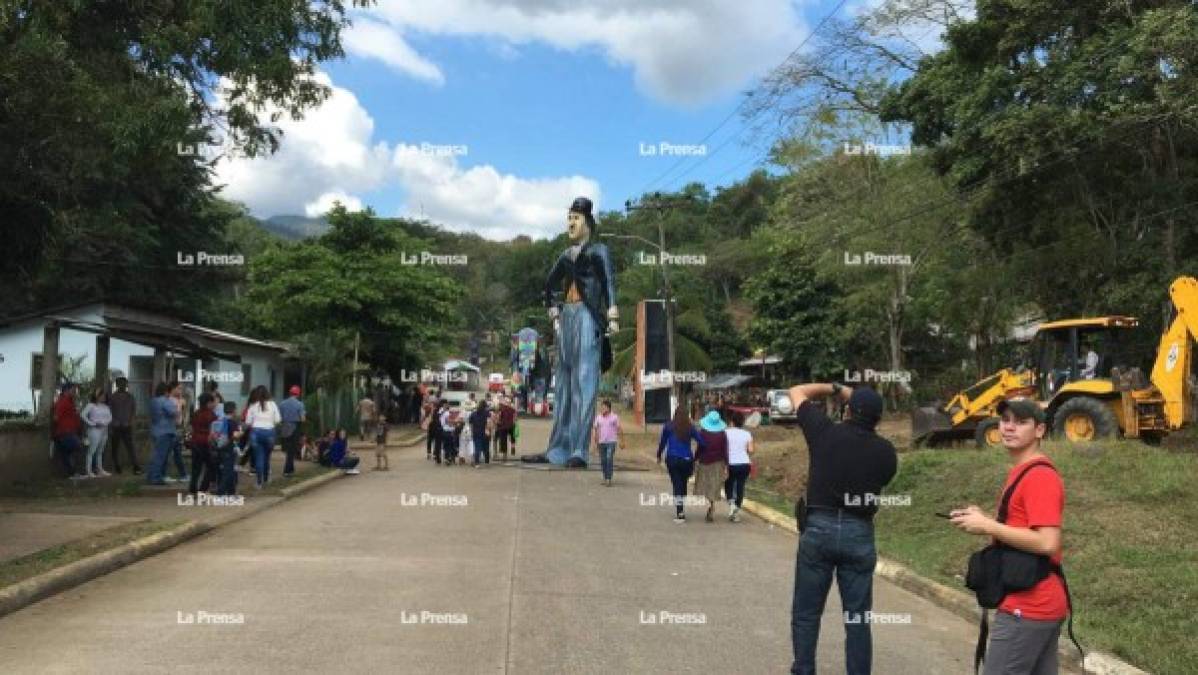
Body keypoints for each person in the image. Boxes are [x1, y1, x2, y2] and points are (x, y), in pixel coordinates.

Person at [949, 398, 1072, 675]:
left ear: (1039, 430)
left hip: (1029, 605)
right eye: (1005, 420)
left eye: (1020, 422)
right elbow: (1023, 528)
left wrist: (989, 527)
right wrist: (984, 520)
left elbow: (1047, 542)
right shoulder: (1022, 470)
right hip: (1037, 601)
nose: (1009, 427)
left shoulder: (1039, 476)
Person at [788, 382, 896, 675]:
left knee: (807, 613)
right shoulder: (886, 452)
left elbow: (796, 392)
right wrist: (860, 403)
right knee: (858, 618)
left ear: (847, 410)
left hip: (819, 528)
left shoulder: (824, 432)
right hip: (859, 533)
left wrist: (836, 387)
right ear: (878, 419)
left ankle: (804, 669)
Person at [524, 197, 618, 468]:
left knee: (585, 380)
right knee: (563, 381)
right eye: (568, 218)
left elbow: (609, 280)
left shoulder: (600, 250)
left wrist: (612, 312)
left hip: (589, 316)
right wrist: (553, 311)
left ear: (587, 222)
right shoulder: (566, 255)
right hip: (567, 315)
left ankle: (579, 449)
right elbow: (549, 284)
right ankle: (556, 449)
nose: (570, 223)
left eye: (575, 218)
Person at [656, 402, 705, 523]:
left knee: (677, 484)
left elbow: (662, 443)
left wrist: (658, 455)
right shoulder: (691, 428)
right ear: (687, 415)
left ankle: (680, 512)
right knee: (682, 484)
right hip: (687, 460)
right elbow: (702, 443)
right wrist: (698, 456)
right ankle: (681, 508)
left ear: (675, 414)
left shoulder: (668, 426)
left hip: (672, 459)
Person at [695, 410, 729, 523]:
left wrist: (695, 458)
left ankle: (711, 505)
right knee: (714, 486)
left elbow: (700, 448)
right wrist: (727, 464)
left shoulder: (703, 433)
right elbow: (725, 451)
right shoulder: (723, 434)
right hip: (718, 462)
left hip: (705, 461)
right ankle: (712, 504)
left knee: (706, 485)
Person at [244, 385, 281, 489]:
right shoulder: (273, 404)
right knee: (267, 457)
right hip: (269, 432)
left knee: (259, 457)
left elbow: (248, 422)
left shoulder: (252, 405)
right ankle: (266, 478)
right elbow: (278, 420)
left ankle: (259, 482)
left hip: (256, 433)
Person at [723, 410, 755, 523]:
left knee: (729, 484)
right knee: (740, 486)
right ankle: (736, 511)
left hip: (730, 463)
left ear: (731, 422)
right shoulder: (747, 434)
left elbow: (723, 448)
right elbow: (751, 450)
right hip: (744, 464)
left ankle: (731, 503)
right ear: (742, 422)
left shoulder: (725, 433)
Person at [146, 382, 179, 486]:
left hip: (156, 430)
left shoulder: (153, 401)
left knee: (156, 455)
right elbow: (173, 412)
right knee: (161, 456)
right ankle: (156, 477)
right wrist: (177, 407)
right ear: (166, 391)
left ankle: (151, 475)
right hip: (166, 431)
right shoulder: (165, 401)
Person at [107, 377, 141, 475]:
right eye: (120, 383)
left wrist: (131, 421)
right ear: (117, 385)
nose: (123, 385)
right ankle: (117, 467)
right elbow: (109, 411)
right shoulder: (112, 397)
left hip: (127, 426)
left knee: (131, 448)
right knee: (115, 448)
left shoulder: (131, 397)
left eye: (124, 383)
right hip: (115, 426)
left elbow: (134, 410)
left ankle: (136, 467)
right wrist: (113, 422)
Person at [188, 393, 219, 494]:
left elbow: (192, 427)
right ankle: (203, 488)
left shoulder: (196, 413)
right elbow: (214, 430)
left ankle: (192, 489)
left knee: (196, 468)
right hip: (206, 443)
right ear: (208, 403)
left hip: (195, 441)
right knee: (211, 466)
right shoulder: (211, 415)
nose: (214, 404)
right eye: (213, 402)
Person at [52, 383, 84, 479]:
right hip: (65, 432)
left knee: (66, 453)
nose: (75, 392)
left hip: (70, 431)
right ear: (66, 390)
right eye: (73, 390)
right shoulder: (63, 401)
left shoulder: (70, 401)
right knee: (77, 447)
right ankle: (72, 473)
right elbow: (56, 418)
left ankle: (72, 473)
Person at [80, 388, 113, 478]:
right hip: (94, 430)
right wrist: (93, 423)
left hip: (104, 430)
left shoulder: (106, 407)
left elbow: (110, 417)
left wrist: (105, 423)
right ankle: (89, 471)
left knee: (100, 451)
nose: (103, 397)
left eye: (104, 396)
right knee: (91, 451)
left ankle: (100, 469)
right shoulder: (91, 405)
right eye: (101, 396)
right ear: (96, 396)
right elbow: (82, 415)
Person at [591, 399, 624, 486]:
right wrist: (594, 441)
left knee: (609, 458)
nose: (602, 409)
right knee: (603, 460)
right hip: (601, 442)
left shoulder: (614, 417)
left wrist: (622, 441)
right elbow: (595, 429)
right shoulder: (598, 417)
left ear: (609, 408)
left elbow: (619, 429)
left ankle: (609, 478)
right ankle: (605, 477)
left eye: (604, 407)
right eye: (601, 407)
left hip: (611, 442)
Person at [214, 401, 242, 496]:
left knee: (225, 470)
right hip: (228, 447)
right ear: (233, 410)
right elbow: (235, 436)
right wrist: (240, 433)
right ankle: (221, 492)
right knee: (229, 471)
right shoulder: (232, 422)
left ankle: (231, 492)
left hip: (219, 447)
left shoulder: (219, 421)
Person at [279, 385, 306, 478]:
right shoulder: (300, 404)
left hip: (284, 427)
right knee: (291, 450)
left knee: (288, 450)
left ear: (290, 393)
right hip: (295, 427)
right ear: (298, 394)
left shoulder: (282, 403)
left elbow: (279, 417)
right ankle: (287, 471)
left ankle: (291, 469)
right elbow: (303, 419)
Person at [167, 381, 190, 483]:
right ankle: (165, 474)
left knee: (177, 453)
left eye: (181, 389)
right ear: (173, 389)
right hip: (171, 428)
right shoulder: (169, 400)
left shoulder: (181, 400)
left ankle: (183, 474)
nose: (181, 391)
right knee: (169, 453)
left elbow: (184, 414)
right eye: (179, 388)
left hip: (178, 428)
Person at [469, 399, 490, 467]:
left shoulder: (473, 413)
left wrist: (472, 432)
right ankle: (487, 461)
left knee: (477, 447)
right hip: (485, 432)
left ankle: (477, 462)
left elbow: (471, 424)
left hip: (476, 432)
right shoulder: (487, 413)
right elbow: (489, 423)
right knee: (486, 447)